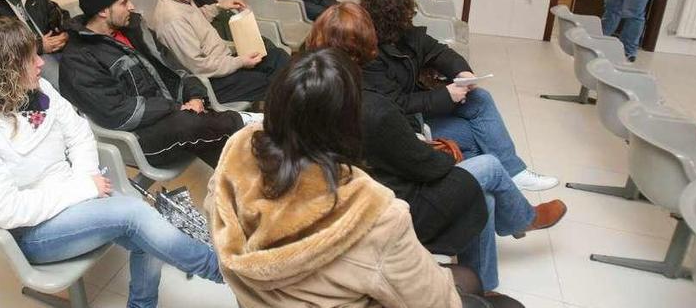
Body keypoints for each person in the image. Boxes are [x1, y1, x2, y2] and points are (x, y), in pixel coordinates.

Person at [0, 17, 223, 308]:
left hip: (75, 195)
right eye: (30, 59)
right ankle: (225, 273)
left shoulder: (38, 90)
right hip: (32, 232)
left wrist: (86, 180)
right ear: (2, 72)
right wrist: (83, 189)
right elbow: (7, 211)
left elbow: (79, 134)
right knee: (135, 215)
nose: (41, 63)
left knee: (147, 227)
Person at [306, 2, 568, 294]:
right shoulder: (372, 106)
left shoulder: (306, 89)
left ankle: (483, 287)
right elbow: (424, 167)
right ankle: (520, 220)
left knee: (485, 195)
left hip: (354, 190)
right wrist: (445, 155)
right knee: (489, 166)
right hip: (395, 202)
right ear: (369, 44)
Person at [206, 47, 486, 308]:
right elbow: (435, 303)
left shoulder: (234, 158)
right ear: (350, 121)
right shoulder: (375, 213)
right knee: (477, 289)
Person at [361, 0, 559, 191]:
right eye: (407, 13)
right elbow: (395, 104)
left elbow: (440, 52)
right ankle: (488, 184)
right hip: (405, 124)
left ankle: (511, 174)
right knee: (477, 136)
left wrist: (463, 72)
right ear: (394, 17)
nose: (411, 17)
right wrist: (446, 95)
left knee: (480, 99)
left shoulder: (406, 34)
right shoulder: (370, 54)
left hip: (421, 112)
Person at [59, 0, 254, 169]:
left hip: (174, 116)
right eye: (124, 2)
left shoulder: (135, 29)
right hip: (137, 137)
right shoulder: (79, 58)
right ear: (103, 11)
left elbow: (176, 68)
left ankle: (246, 185)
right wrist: (174, 107)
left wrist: (195, 96)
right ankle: (246, 123)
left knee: (229, 149)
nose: (132, 7)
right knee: (196, 125)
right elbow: (118, 112)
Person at [148, 0, 290, 104]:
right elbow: (198, 67)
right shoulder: (171, 18)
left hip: (224, 64)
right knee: (274, 82)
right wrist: (240, 62)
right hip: (213, 82)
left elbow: (195, 19)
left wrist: (219, 6)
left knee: (278, 56)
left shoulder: (180, 0)